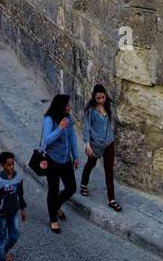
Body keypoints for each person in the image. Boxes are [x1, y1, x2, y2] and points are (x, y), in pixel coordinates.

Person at [41, 94, 79, 232]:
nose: (69, 107)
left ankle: (55, 206)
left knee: (71, 187)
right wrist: (59, 128)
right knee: (53, 190)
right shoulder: (49, 119)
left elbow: (73, 138)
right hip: (52, 160)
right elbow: (47, 140)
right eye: (67, 105)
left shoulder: (68, 118)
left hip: (66, 159)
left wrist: (75, 156)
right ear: (60, 106)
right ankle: (53, 219)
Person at [81, 83, 121, 211]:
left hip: (109, 142)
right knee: (91, 164)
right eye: (98, 98)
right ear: (94, 97)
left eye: (103, 97)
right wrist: (87, 145)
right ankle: (83, 184)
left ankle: (112, 199)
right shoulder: (90, 110)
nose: (101, 100)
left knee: (109, 170)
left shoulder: (108, 106)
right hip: (95, 144)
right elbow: (86, 128)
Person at [0, 151, 27, 261]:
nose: (11, 167)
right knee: (1, 238)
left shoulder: (18, 178)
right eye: (8, 165)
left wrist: (23, 208)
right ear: (2, 165)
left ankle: (4, 251)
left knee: (15, 235)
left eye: (12, 164)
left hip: (13, 212)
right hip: (0, 214)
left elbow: (20, 194)